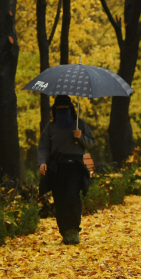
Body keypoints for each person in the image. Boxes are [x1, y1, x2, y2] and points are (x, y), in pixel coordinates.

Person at [38, 95, 94, 245]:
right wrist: (42, 162)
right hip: (57, 167)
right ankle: (64, 231)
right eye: (59, 109)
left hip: (75, 167)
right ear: (55, 111)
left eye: (65, 109)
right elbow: (43, 146)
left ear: (71, 109)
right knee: (60, 200)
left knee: (72, 198)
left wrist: (81, 137)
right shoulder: (51, 127)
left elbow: (90, 143)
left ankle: (74, 230)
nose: (63, 112)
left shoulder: (79, 124)